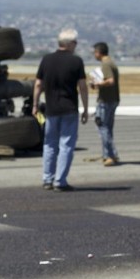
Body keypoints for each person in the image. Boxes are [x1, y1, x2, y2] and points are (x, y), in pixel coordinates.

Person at [32, 28, 89, 192]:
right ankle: (60, 181)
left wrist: (35, 105)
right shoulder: (76, 61)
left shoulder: (46, 59)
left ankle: (47, 179)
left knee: (49, 145)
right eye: (75, 43)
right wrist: (85, 109)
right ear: (70, 44)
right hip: (69, 108)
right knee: (66, 145)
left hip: (51, 109)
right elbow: (83, 87)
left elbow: (38, 84)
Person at [89, 42, 120, 166]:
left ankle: (110, 155)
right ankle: (108, 154)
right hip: (113, 99)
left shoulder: (106, 64)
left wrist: (97, 84)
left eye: (94, 52)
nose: (94, 55)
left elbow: (110, 81)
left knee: (102, 126)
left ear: (98, 52)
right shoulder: (111, 62)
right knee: (108, 128)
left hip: (106, 100)